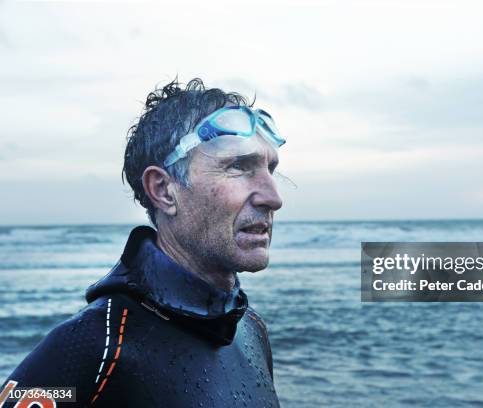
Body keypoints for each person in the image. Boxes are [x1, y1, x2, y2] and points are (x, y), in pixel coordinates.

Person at [0, 78, 284, 407]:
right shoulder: (100, 345)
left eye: (271, 169)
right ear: (164, 191)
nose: (273, 197)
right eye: (238, 166)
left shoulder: (250, 331)